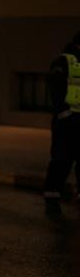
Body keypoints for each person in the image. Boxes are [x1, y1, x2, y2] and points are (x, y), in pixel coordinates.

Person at [43, 30, 80, 216]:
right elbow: (56, 89)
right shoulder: (63, 61)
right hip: (66, 122)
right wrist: (63, 113)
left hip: (77, 120)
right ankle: (52, 198)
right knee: (61, 160)